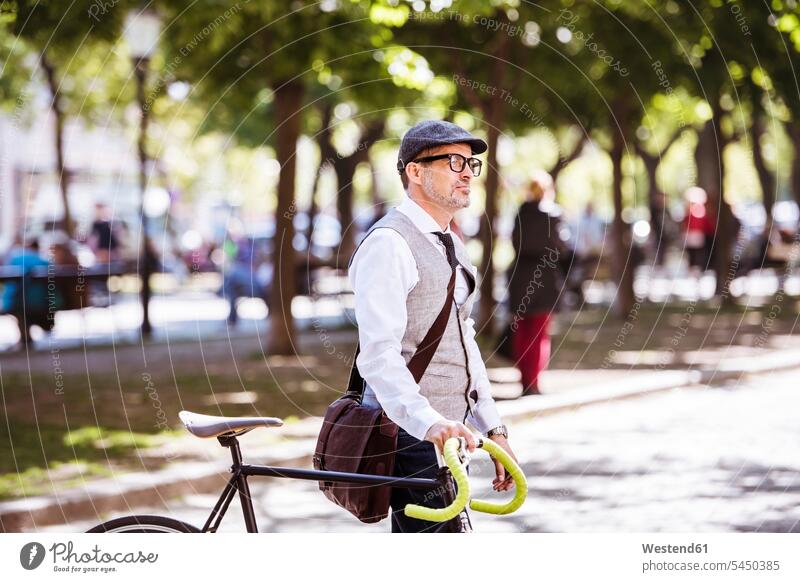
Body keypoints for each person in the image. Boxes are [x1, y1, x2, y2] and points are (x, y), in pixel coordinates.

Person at [348, 120, 518, 533]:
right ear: (416, 171)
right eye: (453, 161)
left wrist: (492, 427)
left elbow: (463, 338)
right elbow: (379, 354)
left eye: (471, 163)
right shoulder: (389, 243)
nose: (466, 172)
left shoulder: (451, 243)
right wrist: (427, 423)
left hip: (449, 435)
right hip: (412, 435)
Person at [507, 170, 565, 397]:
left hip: (521, 277)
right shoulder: (554, 215)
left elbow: (515, 243)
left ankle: (525, 380)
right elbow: (561, 247)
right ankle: (535, 380)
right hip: (545, 278)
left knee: (522, 331)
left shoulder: (520, 214)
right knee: (540, 333)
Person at [1, 238, 52, 344]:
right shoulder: (44, 261)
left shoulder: (16, 259)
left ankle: (25, 338)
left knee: (20, 307)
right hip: (41, 303)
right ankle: (28, 336)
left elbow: (9, 287)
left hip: (17, 303)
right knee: (27, 305)